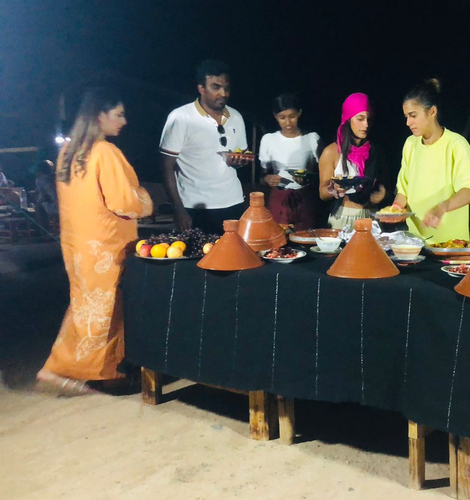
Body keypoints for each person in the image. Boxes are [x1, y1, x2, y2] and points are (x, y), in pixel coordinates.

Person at [36, 88, 153, 395]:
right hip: (107, 245)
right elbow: (124, 202)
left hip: (78, 244)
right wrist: (146, 201)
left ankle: (99, 370)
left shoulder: (69, 153)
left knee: (86, 306)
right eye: (119, 114)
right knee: (106, 310)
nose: (124, 121)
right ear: (99, 115)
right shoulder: (105, 153)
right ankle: (66, 368)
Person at [160, 59, 250, 234]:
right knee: (198, 260)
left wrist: (240, 161)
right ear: (201, 88)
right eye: (216, 87)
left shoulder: (236, 117)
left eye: (227, 88)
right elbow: (166, 166)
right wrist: (178, 209)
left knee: (235, 259)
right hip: (195, 207)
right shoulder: (181, 117)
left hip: (233, 203)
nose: (223, 93)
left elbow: (242, 156)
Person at [392, 79, 470, 243]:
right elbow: (403, 190)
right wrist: (395, 210)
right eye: (406, 117)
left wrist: (442, 207)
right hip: (414, 240)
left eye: (413, 116)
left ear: (432, 112)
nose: (408, 122)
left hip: (449, 242)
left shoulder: (456, 144)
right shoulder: (410, 144)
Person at [318, 93, 386, 229]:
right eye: (360, 119)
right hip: (343, 216)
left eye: (369, 119)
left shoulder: (375, 151)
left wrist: (382, 193)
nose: (366, 124)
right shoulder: (331, 152)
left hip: (370, 216)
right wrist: (334, 189)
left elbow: (385, 184)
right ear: (348, 119)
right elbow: (322, 192)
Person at [258, 94, 322, 230]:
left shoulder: (311, 139)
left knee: (305, 238)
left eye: (292, 116)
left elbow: (322, 174)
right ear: (275, 116)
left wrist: (308, 179)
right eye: (282, 118)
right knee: (278, 241)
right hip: (279, 198)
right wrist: (268, 179)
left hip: (304, 199)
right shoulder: (269, 140)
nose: (288, 123)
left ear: (299, 113)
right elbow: (262, 176)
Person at [33, 160, 58, 228]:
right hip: (65, 205)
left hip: (55, 206)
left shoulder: (41, 180)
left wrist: (37, 202)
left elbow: (44, 196)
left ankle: (44, 230)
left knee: (38, 207)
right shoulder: (57, 177)